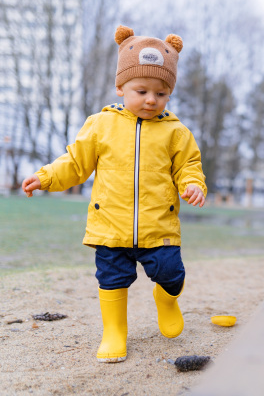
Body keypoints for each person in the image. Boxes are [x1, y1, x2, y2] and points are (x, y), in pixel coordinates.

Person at [21, 25, 207, 363]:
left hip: (159, 228)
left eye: (161, 93)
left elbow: (188, 167)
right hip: (109, 226)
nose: (151, 99)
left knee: (172, 274)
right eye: (141, 90)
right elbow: (76, 164)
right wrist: (45, 176)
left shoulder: (176, 133)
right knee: (111, 280)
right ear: (120, 87)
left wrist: (192, 184)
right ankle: (114, 332)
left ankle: (166, 299)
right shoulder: (100, 125)